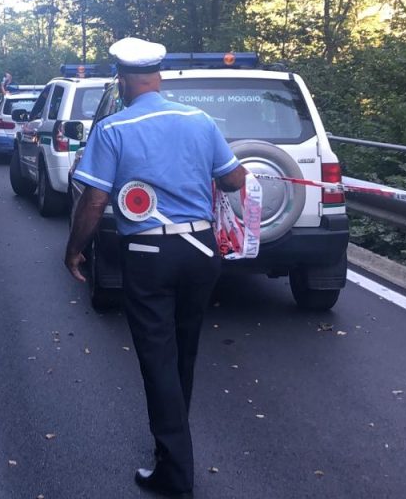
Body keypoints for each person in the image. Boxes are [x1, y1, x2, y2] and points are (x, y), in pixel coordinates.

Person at [64, 37, 247, 498]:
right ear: (159, 77)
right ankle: (172, 452)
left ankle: (175, 475)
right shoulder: (200, 121)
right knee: (184, 353)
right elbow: (232, 178)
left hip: (149, 256)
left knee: (157, 360)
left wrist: (74, 250)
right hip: (203, 252)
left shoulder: (113, 130)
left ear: (123, 81)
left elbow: (95, 199)